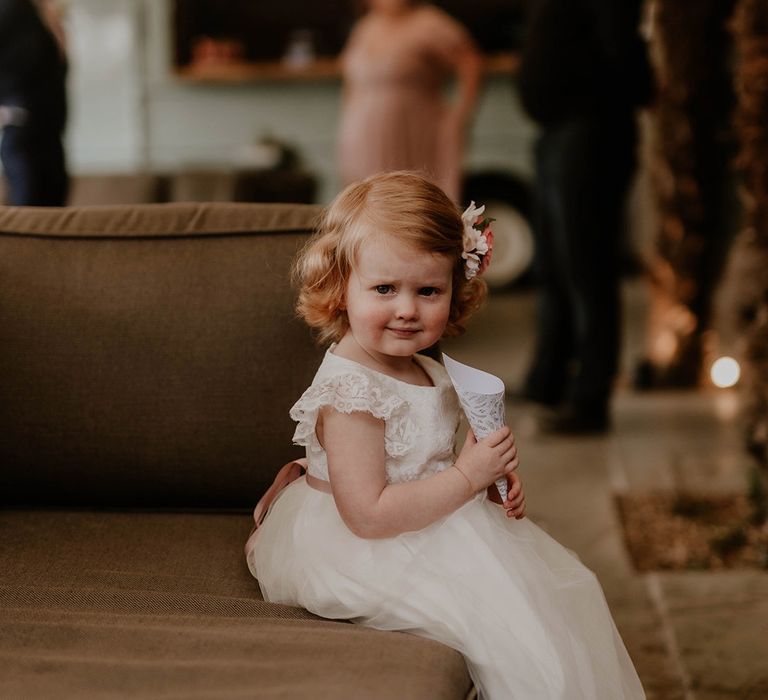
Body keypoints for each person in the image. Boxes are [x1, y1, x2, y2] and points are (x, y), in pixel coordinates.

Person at [245, 171, 645, 699]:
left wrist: (485, 480)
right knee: (502, 626)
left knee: (555, 596)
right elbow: (368, 515)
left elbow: (426, 460)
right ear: (342, 288)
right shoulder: (353, 390)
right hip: (360, 547)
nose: (407, 309)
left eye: (428, 290)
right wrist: (464, 475)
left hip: (427, 517)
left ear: (455, 291)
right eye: (384, 288)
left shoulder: (425, 368)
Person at [516, 0, 654, 432]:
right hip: (559, 131)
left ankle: (590, 399)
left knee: (586, 269)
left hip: (591, 131)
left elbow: (626, 55)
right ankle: (548, 379)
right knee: (554, 266)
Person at [337, 0, 482, 201]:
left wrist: (461, 114)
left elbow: (469, 60)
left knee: (410, 204)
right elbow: (351, 83)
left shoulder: (429, 23)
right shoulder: (365, 27)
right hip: (363, 139)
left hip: (411, 135)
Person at [0, 0, 68, 206]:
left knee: (52, 210)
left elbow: (59, 68)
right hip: (24, 129)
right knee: (28, 211)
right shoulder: (11, 8)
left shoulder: (38, 16)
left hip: (49, 133)